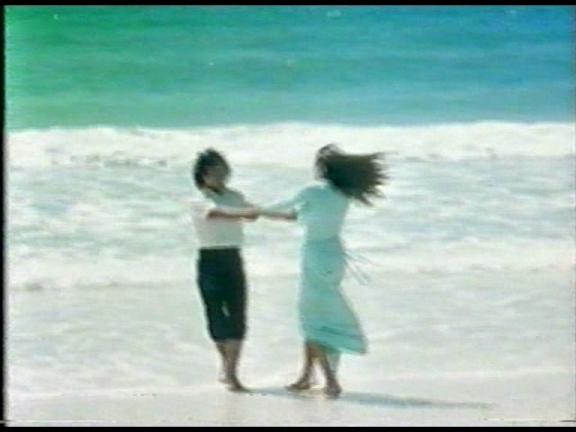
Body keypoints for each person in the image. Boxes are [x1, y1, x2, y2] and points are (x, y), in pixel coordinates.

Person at [256, 144, 388, 398]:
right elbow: (295, 215)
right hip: (335, 255)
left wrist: (252, 210)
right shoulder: (342, 194)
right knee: (319, 317)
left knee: (313, 321)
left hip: (315, 255)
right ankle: (306, 376)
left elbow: (282, 206)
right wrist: (261, 213)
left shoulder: (313, 190)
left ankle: (331, 381)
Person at [190, 148, 258, 393]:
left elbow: (253, 214)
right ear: (203, 174)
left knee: (238, 314)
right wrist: (246, 212)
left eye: (223, 170)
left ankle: (231, 372)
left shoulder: (235, 196)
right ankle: (226, 365)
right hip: (209, 260)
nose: (220, 175)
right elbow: (215, 214)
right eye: (214, 171)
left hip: (233, 257)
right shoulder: (197, 199)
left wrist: (279, 212)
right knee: (216, 316)